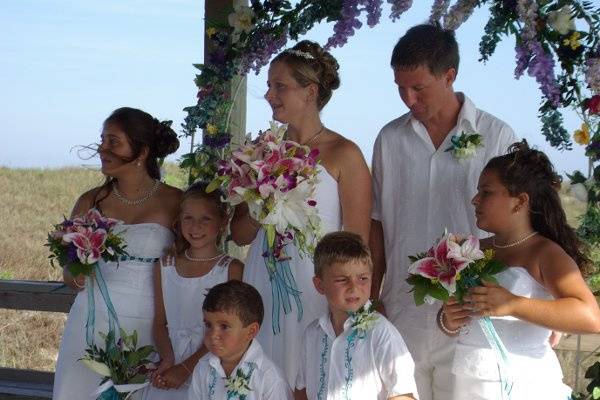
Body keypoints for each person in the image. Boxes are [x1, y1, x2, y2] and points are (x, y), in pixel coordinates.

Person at [369, 23, 516, 400]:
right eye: (400, 88)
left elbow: (521, 225)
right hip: (402, 308)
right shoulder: (389, 139)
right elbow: (378, 224)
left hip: (469, 310)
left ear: (449, 75)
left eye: (418, 87)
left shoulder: (497, 136)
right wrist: (373, 296)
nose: (408, 98)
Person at [231, 40, 372, 386]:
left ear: (310, 92)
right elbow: (239, 235)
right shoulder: (261, 152)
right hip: (262, 276)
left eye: (279, 86)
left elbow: (358, 243)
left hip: (313, 284)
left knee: (308, 378)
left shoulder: (345, 154)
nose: (269, 94)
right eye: (268, 86)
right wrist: (260, 201)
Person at [441, 141, 600, 399]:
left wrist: (513, 304)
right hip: (469, 383)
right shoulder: (471, 249)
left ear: (520, 202)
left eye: (486, 192)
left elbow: (591, 318)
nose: (475, 199)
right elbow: (454, 323)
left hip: (522, 385)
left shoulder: (545, 253)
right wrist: (448, 319)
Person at [53, 107, 181, 399]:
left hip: (149, 326)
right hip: (90, 321)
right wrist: (78, 272)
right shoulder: (90, 201)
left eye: (113, 141)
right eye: (102, 140)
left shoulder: (176, 201)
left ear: (142, 152)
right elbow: (70, 277)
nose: (102, 148)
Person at [144, 182, 244, 399]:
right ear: (178, 221)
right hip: (170, 363)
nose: (195, 227)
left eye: (205, 219)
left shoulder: (231, 269)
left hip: (212, 361)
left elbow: (228, 330)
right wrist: (169, 360)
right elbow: (160, 322)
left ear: (222, 222)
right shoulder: (165, 266)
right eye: (188, 218)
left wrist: (187, 368)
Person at [295, 231, 418, 400]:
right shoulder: (312, 335)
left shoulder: (382, 333)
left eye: (362, 278)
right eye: (342, 279)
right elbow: (302, 390)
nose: (354, 288)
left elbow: (403, 394)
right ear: (320, 284)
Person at [188, 280, 293, 399]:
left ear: (251, 331)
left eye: (224, 327)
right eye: (208, 325)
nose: (213, 335)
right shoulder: (203, 368)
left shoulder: (269, 379)